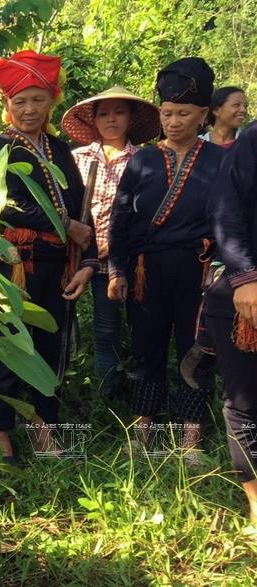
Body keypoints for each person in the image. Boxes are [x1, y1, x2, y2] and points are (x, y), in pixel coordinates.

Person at [0, 50, 98, 463]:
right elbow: (2, 203)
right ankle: (2, 436)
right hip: (13, 266)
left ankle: (44, 431)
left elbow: (82, 206)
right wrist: (63, 225)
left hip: (56, 268)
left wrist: (88, 262)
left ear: (52, 101)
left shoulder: (60, 150)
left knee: (51, 348)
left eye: (37, 100)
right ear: (7, 105)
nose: (29, 109)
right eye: (20, 101)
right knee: (10, 348)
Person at [107, 58, 224, 461]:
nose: (173, 121)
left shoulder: (218, 161)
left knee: (195, 350)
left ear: (203, 115)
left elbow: (232, 220)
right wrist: (117, 269)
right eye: (167, 113)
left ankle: (191, 438)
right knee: (146, 346)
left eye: (184, 113)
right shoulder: (142, 160)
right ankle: (142, 429)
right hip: (146, 271)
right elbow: (120, 218)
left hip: (198, 270)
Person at [61, 86, 161, 396]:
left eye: (119, 112)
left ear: (131, 118)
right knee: (93, 329)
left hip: (129, 259)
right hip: (84, 256)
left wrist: (113, 247)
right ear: (94, 120)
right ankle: (92, 397)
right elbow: (66, 205)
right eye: (104, 113)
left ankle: (129, 396)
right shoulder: (77, 157)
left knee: (133, 329)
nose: (111, 119)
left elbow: (147, 213)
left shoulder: (146, 159)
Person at [205, 123, 257, 524]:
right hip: (247, 292)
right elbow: (227, 209)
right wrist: (246, 277)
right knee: (245, 400)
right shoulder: (253, 140)